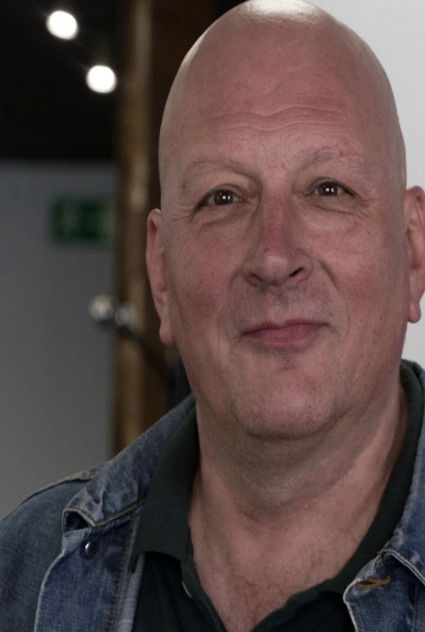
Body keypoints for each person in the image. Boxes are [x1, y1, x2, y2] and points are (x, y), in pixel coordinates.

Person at [2, 1, 425, 630]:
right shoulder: (22, 578)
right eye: (223, 197)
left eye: (328, 190)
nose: (275, 257)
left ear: (412, 251)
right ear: (161, 273)